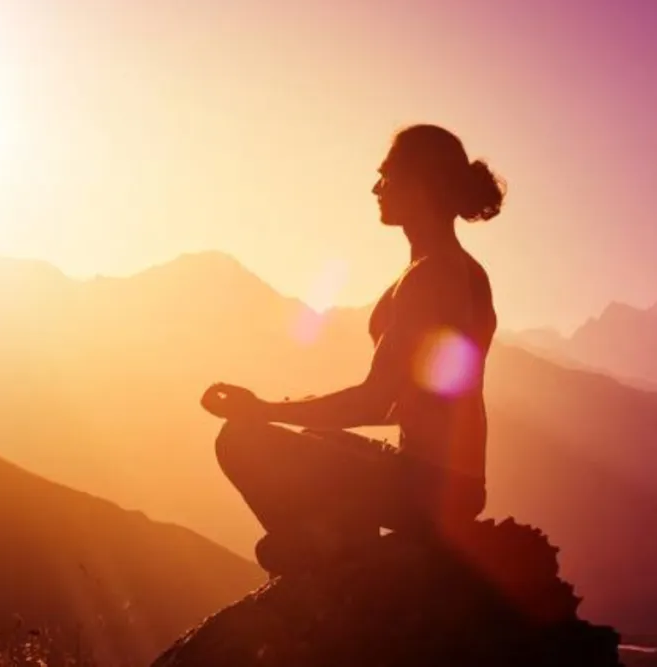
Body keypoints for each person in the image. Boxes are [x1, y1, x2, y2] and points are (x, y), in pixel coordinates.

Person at [201, 124, 505, 575]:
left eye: (386, 176)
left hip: (426, 486)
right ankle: (329, 545)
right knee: (314, 437)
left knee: (240, 440)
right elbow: (417, 401)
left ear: (419, 184)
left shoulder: (430, 277)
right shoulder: (461, 270)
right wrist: (284, 409)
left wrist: (261, 410)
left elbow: (374, 401)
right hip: (454, 483)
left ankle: (330, 560)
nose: (376, 188)